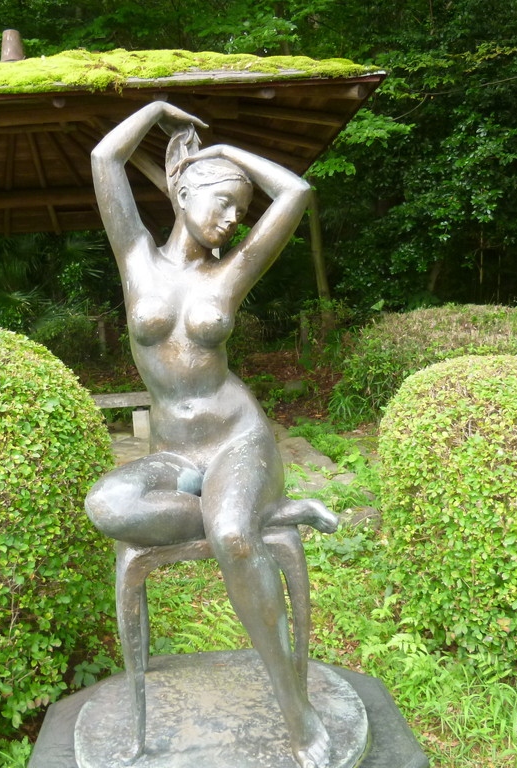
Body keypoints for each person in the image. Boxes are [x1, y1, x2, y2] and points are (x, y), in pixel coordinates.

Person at [85, 101, 338, 768]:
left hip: (235, 440)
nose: (232, 218)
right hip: (173, 453)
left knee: (229, 535)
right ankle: (264, 513)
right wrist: (155, 112)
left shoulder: (232, 271)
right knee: (106, 505)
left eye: (241, 210)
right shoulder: (135, 257)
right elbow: (104, 159)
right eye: (223, 201)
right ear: (182, 193)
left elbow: (297, 192)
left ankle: (296, 709)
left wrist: (224, 153)